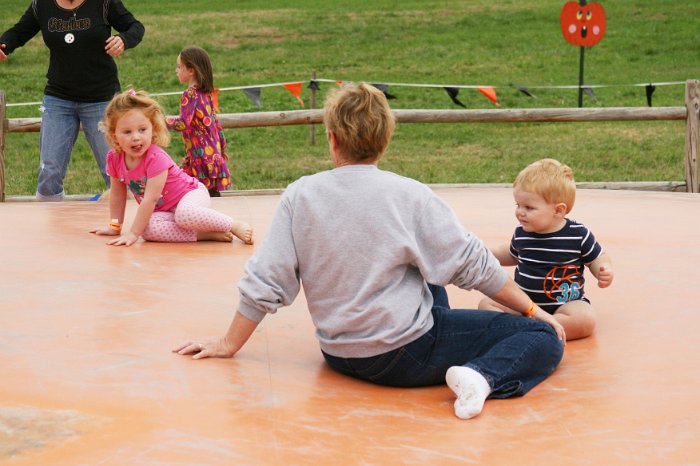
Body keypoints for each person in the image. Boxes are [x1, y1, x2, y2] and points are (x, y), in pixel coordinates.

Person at [173, 82, 565, 420]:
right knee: (542, 338)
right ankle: (481, 377)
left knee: (427, 275)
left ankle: (459, 354)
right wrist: (534, 311)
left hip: (340, 353)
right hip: (404, 355)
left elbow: (267, 278)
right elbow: (473, 264)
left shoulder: (301, 195)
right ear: (385, 139)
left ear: (332, 139)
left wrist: (229, 343)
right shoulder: (408, 195)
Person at [0, 0, 145, 201]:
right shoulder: (41, 5)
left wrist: (124, 39)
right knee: (49, 169)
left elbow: (135, 27)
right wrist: (4, 44)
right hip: (58, 98)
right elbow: (19, 31)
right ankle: (50, 225)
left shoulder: (103, 3)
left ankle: (126, 225)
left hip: (101, 99)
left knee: (114, 169)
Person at [90, 89, 253, 246]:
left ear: (152, 129)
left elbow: (150, 199)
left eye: (142, 130)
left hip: (191, 195)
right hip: (165, 210)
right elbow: (117, 195)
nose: (136, 137)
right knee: (146, 229)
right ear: (114, 135)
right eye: (127, 132)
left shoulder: (155, 157)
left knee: (183, 215)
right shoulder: (114, 159)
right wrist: (115, 226)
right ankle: (203, 234)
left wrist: (133, 233)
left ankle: (232, 225)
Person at [478, 158, 614, 341]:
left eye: (529, 207)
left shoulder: (577, 234)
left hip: (564, 305)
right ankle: (537, 327)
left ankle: (543, 326)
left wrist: (603, 270)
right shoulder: (522, 232)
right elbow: (511, 255)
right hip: (524, 303)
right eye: (518, 205)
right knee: (486, 305)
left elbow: (598, 257)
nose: (520, 212)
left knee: (585, 319)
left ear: (558, 211)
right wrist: (484, 253)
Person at [166, 45, 231, 198]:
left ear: (190, 70)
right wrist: (221, 148)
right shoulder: (206, 94)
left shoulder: (190, 94)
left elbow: (183, 123)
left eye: (179, 66)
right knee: (212, 195)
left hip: (200, 155)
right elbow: (216, 124)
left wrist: (162, 121)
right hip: (212, 154)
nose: (176, 70)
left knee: (199, 195)